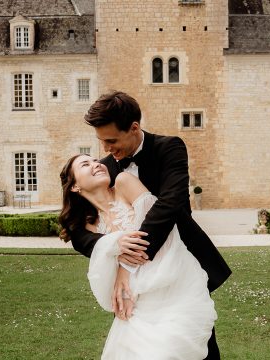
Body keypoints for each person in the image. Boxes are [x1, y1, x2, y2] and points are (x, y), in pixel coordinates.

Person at [60, 91, 231, 359]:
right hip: (142, 289)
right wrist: (114, 245)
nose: (105, 149)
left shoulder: (169, 147)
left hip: (180, 265)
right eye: (101, 141)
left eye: (111, 140)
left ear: (134, 128)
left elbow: (170, 205)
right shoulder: (104, 169)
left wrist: (127, 266)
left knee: (197, 344)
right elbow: (79, 234)